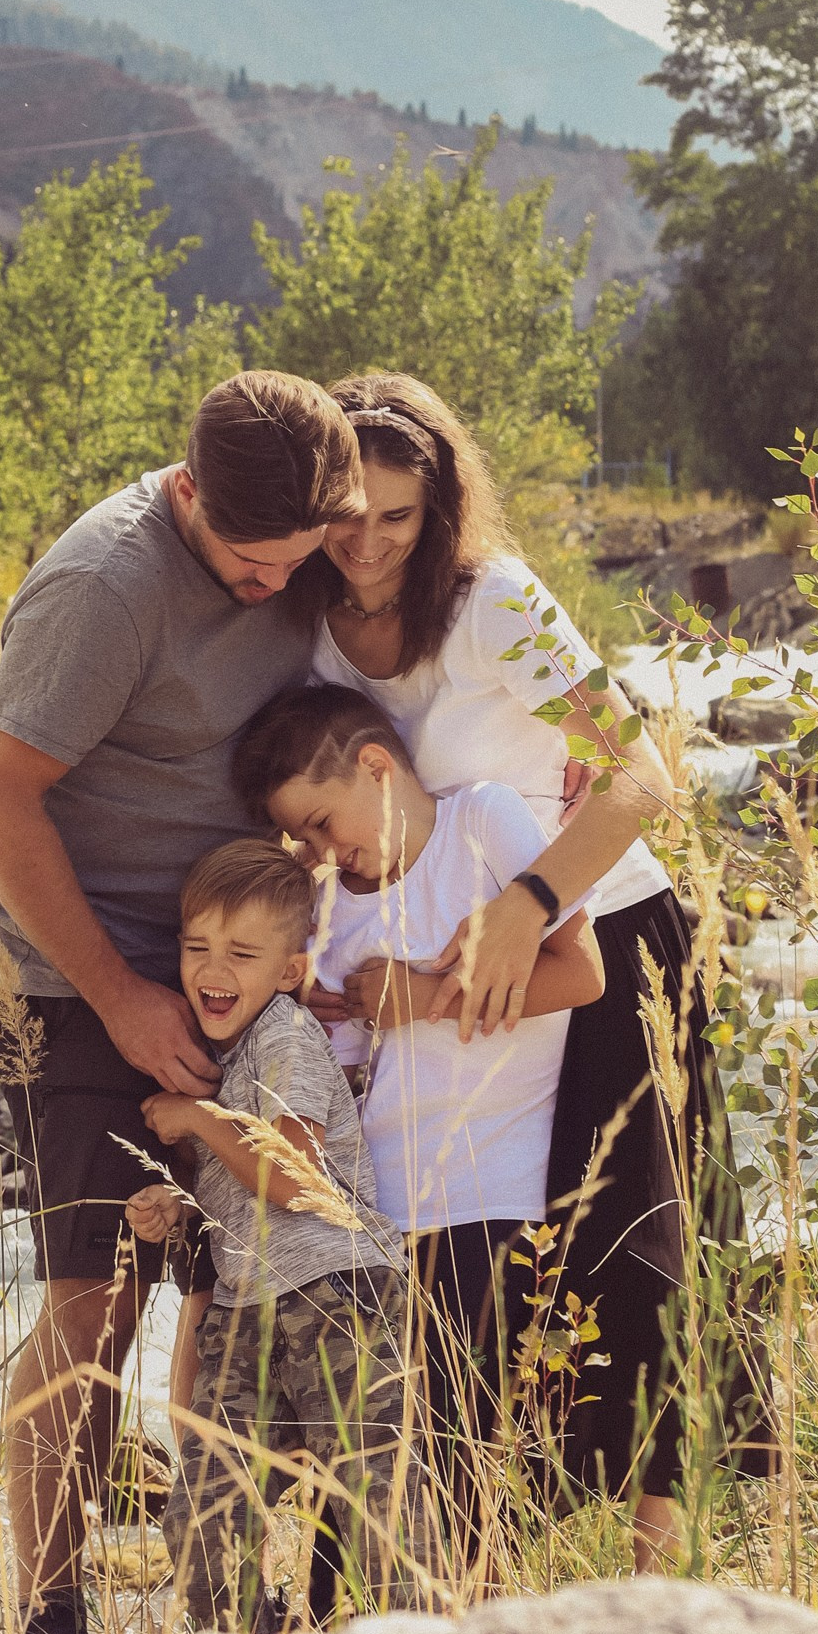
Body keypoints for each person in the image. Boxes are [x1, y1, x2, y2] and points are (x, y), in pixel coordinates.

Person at [0, 371, 363, 1634]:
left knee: (245, 1273)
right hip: (79, 977)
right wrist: (125, 1000)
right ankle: (53, 1622)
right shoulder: (105, 590)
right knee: (101, 1294)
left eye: (291, 566)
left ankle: (231, 1594)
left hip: (235, 970)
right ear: (187, 495)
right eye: (247, 566)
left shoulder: (308, 545)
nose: (269, 592)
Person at [300, 372, 739, 1570]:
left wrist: (528, 899)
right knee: (476, 1269)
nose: (369, 543)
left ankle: (662, 1586)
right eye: (347, 513)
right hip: (450, 966)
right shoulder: (299, 621)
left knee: (633, 1253)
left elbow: (641, 776)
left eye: (397, 516)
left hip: (595, 934)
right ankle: (465, 1553)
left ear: (435, 509)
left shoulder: (490, 598)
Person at [233, 685, 604, 1565]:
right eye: (307, 840)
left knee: (461, 1477)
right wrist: (318, 1013)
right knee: (360, 1485)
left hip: (487, 1200)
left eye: (325, 822)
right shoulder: (330, 903)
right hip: (369, 1223)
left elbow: (580, 973)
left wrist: (423, 999)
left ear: (376, 765)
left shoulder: (482, 822)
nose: (326, 850)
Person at [123, 835, 428, 1630]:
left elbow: (290, 1180)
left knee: (378, 1511)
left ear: (290, 970)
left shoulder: (286, 1034)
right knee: (202, 1519)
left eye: (242, 954)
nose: (212, 972)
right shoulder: (227, 1057)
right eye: (196, 948)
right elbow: (247, 1186)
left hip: (337, 1295)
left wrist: (195, 1118)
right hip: (247, 1308)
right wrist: (179, 1207)